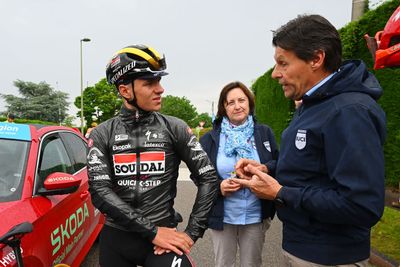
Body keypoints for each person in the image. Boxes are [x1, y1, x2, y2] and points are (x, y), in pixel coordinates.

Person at [233, 14, 386, 266]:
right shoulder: (314, 105)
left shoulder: (349, 111)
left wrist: (280, 193)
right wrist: (265, 169)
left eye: (283, 63)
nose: (275, 74)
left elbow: (362, 205)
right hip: (301, 247)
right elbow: (309, 168)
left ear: (316, 58)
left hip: (329, 256)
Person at [87, 44, 219, 267]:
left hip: (164, 239)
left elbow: (208, 178)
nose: (160, 89)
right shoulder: (102, 133)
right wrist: (152, 231)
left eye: (159, 81)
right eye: (150, 83)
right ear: (125, 90)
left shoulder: (175, 127)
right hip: (119, 238)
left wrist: (191, 233)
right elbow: (99, 191)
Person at [199, 81, 278, 267]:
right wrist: (219, 186)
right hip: (223, 214)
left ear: (249, 103)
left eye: (241, 100)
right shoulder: (209, 139)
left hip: (255, 213)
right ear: (223, 107)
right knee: (223, 264)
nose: (237, 106)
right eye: (231, 102)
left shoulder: (264, 133)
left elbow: (278, 163)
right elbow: (200, 175)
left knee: (251, 264)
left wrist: (264, 168)